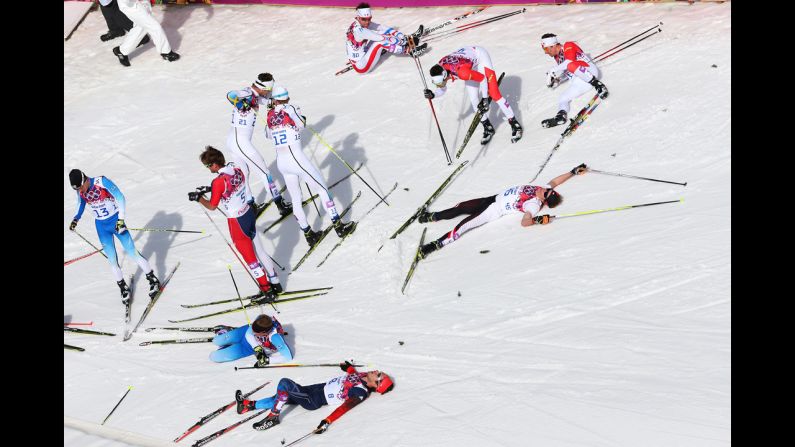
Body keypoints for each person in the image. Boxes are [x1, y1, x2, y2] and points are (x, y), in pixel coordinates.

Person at [417, 164, 588, 258]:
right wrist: (573, 172)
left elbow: (525, 221)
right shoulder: (544, 188)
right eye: (548, 190)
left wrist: (538, 220)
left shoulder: (534, 205)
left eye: (546, 193)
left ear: (544, 199)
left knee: (463, 226)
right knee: (461, 207)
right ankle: (432, 216)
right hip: (493, 198)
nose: (544, 190)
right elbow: (556, 181)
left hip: (493, 210)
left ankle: (435, 245)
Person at [264, 85, 356, 247]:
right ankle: (339, 226)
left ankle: (309, 235)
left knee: (296, 199)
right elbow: (301, 124)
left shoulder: (270, 114)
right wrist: (292, 111)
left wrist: (271, 112)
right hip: (297, 159)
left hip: (282, 163)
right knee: (322, 189)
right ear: (286, 98)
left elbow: (267, 134)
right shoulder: (291, 107)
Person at [188, 146, 281, 302]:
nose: (208, 168)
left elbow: (212, 206)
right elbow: (229, 185)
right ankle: (275, 283)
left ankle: (267, 291)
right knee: (260, 251)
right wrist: (210, 188)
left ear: (215, 165)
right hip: (248, 214)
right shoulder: (235, 169)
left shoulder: (218, 181)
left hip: (237, 222)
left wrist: (199, 198)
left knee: (251, 259)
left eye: (208, 166)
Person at [68, 169, 161, 304]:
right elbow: (80, 203)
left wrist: (121, 219)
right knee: (111, 259)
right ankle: (123, 287)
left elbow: (120, 197)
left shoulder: (101, 182)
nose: (81, 190)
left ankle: (153, 279)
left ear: (85, 179)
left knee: (132, 252)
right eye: (78, 189)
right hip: (101, 226)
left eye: (81, 186)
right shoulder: (80, 190)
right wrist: (76, 218)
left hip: (116, 221)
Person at [235, 360, 394, 432]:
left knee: (284, 383)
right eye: (379, 371)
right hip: (314, 389)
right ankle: (248, 406)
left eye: (379, 375)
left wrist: (327, 421)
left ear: (377, 386)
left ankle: (273, 417)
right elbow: (353, 375)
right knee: (281, 395)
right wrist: (349, 368)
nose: (376, 371)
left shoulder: (360, 393)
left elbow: (344, 408)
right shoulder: (365, 376)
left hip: (314, 400)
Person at [423, 46, 523, 144]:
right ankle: (488, 127)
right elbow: (442, 89)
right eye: (437, 84)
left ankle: (515, 124)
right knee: (474, 99)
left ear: (445, 76)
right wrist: (433, 95)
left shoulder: (462, 73)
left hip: (480, 57)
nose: (439, 86)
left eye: (439, 83)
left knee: (494, 93)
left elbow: (483, 78)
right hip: (467, 63)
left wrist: (484, 98)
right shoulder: (440, 69)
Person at [226, 73, 292, 217]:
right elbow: (230, 94)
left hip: (233, 140)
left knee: (243, 173)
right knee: (264, 173)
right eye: (269, 88)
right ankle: (280, 205)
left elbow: (270, 98)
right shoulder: (248, 93)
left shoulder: (258, 96)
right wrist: (238, 102)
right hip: (240, 141)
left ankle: (250, 206)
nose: (270, 91)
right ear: (263, 87)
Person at [540, 33, 609, 128]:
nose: (546, 52)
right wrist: (558, 80)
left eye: (546, 49)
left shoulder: (568, 45)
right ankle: (561, 117)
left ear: (553, 45)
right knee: (562, 98)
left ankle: (599, 85)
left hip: (589, 72)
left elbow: (570, 62)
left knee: (570, 65)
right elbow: (567, 71)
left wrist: (552, 70)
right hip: (580, 82)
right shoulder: (558, 57)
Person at [346, 2, 426, 74]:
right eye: (364, 19)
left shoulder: (359, 23)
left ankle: (406, 39)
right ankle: (409, 51)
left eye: (369, 19)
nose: (367, 22)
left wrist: (400, 35)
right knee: (380, 43)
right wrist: (404, 41)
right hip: (362, 67)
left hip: (361, 54)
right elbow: (381, 39)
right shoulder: (360, 31)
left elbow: (381, 27)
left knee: (382, 33)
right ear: (358, 17)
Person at [112, 0, 180, 67]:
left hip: (143, 3)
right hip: (132, 6)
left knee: (141, 28)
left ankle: (121, 51)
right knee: (154, 27)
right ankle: (166, 52)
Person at [210, 314, 292, 365]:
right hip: (243, 333)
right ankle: (228, 332)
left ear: (264, 333)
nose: (253, 331)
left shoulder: (275, 337)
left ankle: (227, 347)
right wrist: (257, 347)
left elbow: (288, 357)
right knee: (216, 340)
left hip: (247, 348)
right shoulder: (262, 318)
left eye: (256, 332)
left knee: (214, 357)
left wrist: (267, 360)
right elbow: (249, 333)